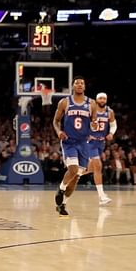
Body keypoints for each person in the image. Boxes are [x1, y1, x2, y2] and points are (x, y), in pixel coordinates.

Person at [53, 76, 98, 216]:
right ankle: (60, 189)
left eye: (82, 83)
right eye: (77, 83)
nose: (79, 85)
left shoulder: (92, 103)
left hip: (84, 143)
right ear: (73, 86)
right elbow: (56, 121)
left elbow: (94, 123)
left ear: (84, 87)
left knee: (76, 177)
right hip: (69, 141)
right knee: (72, 169)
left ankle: (63, 204)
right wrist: (59, 131)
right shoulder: (64, 102)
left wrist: (95, 126)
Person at [88, 92, 116, 205]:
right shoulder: (90, 110)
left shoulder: (110, 112)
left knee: (91, 169)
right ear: (96, 100)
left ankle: (74, 174)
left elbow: (113, 125)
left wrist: (111, 133)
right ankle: (101, 196)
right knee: (98, 166)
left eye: (104, 98)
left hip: (101, 142)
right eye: (100, 98)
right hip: (90, 142)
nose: (102, 100)